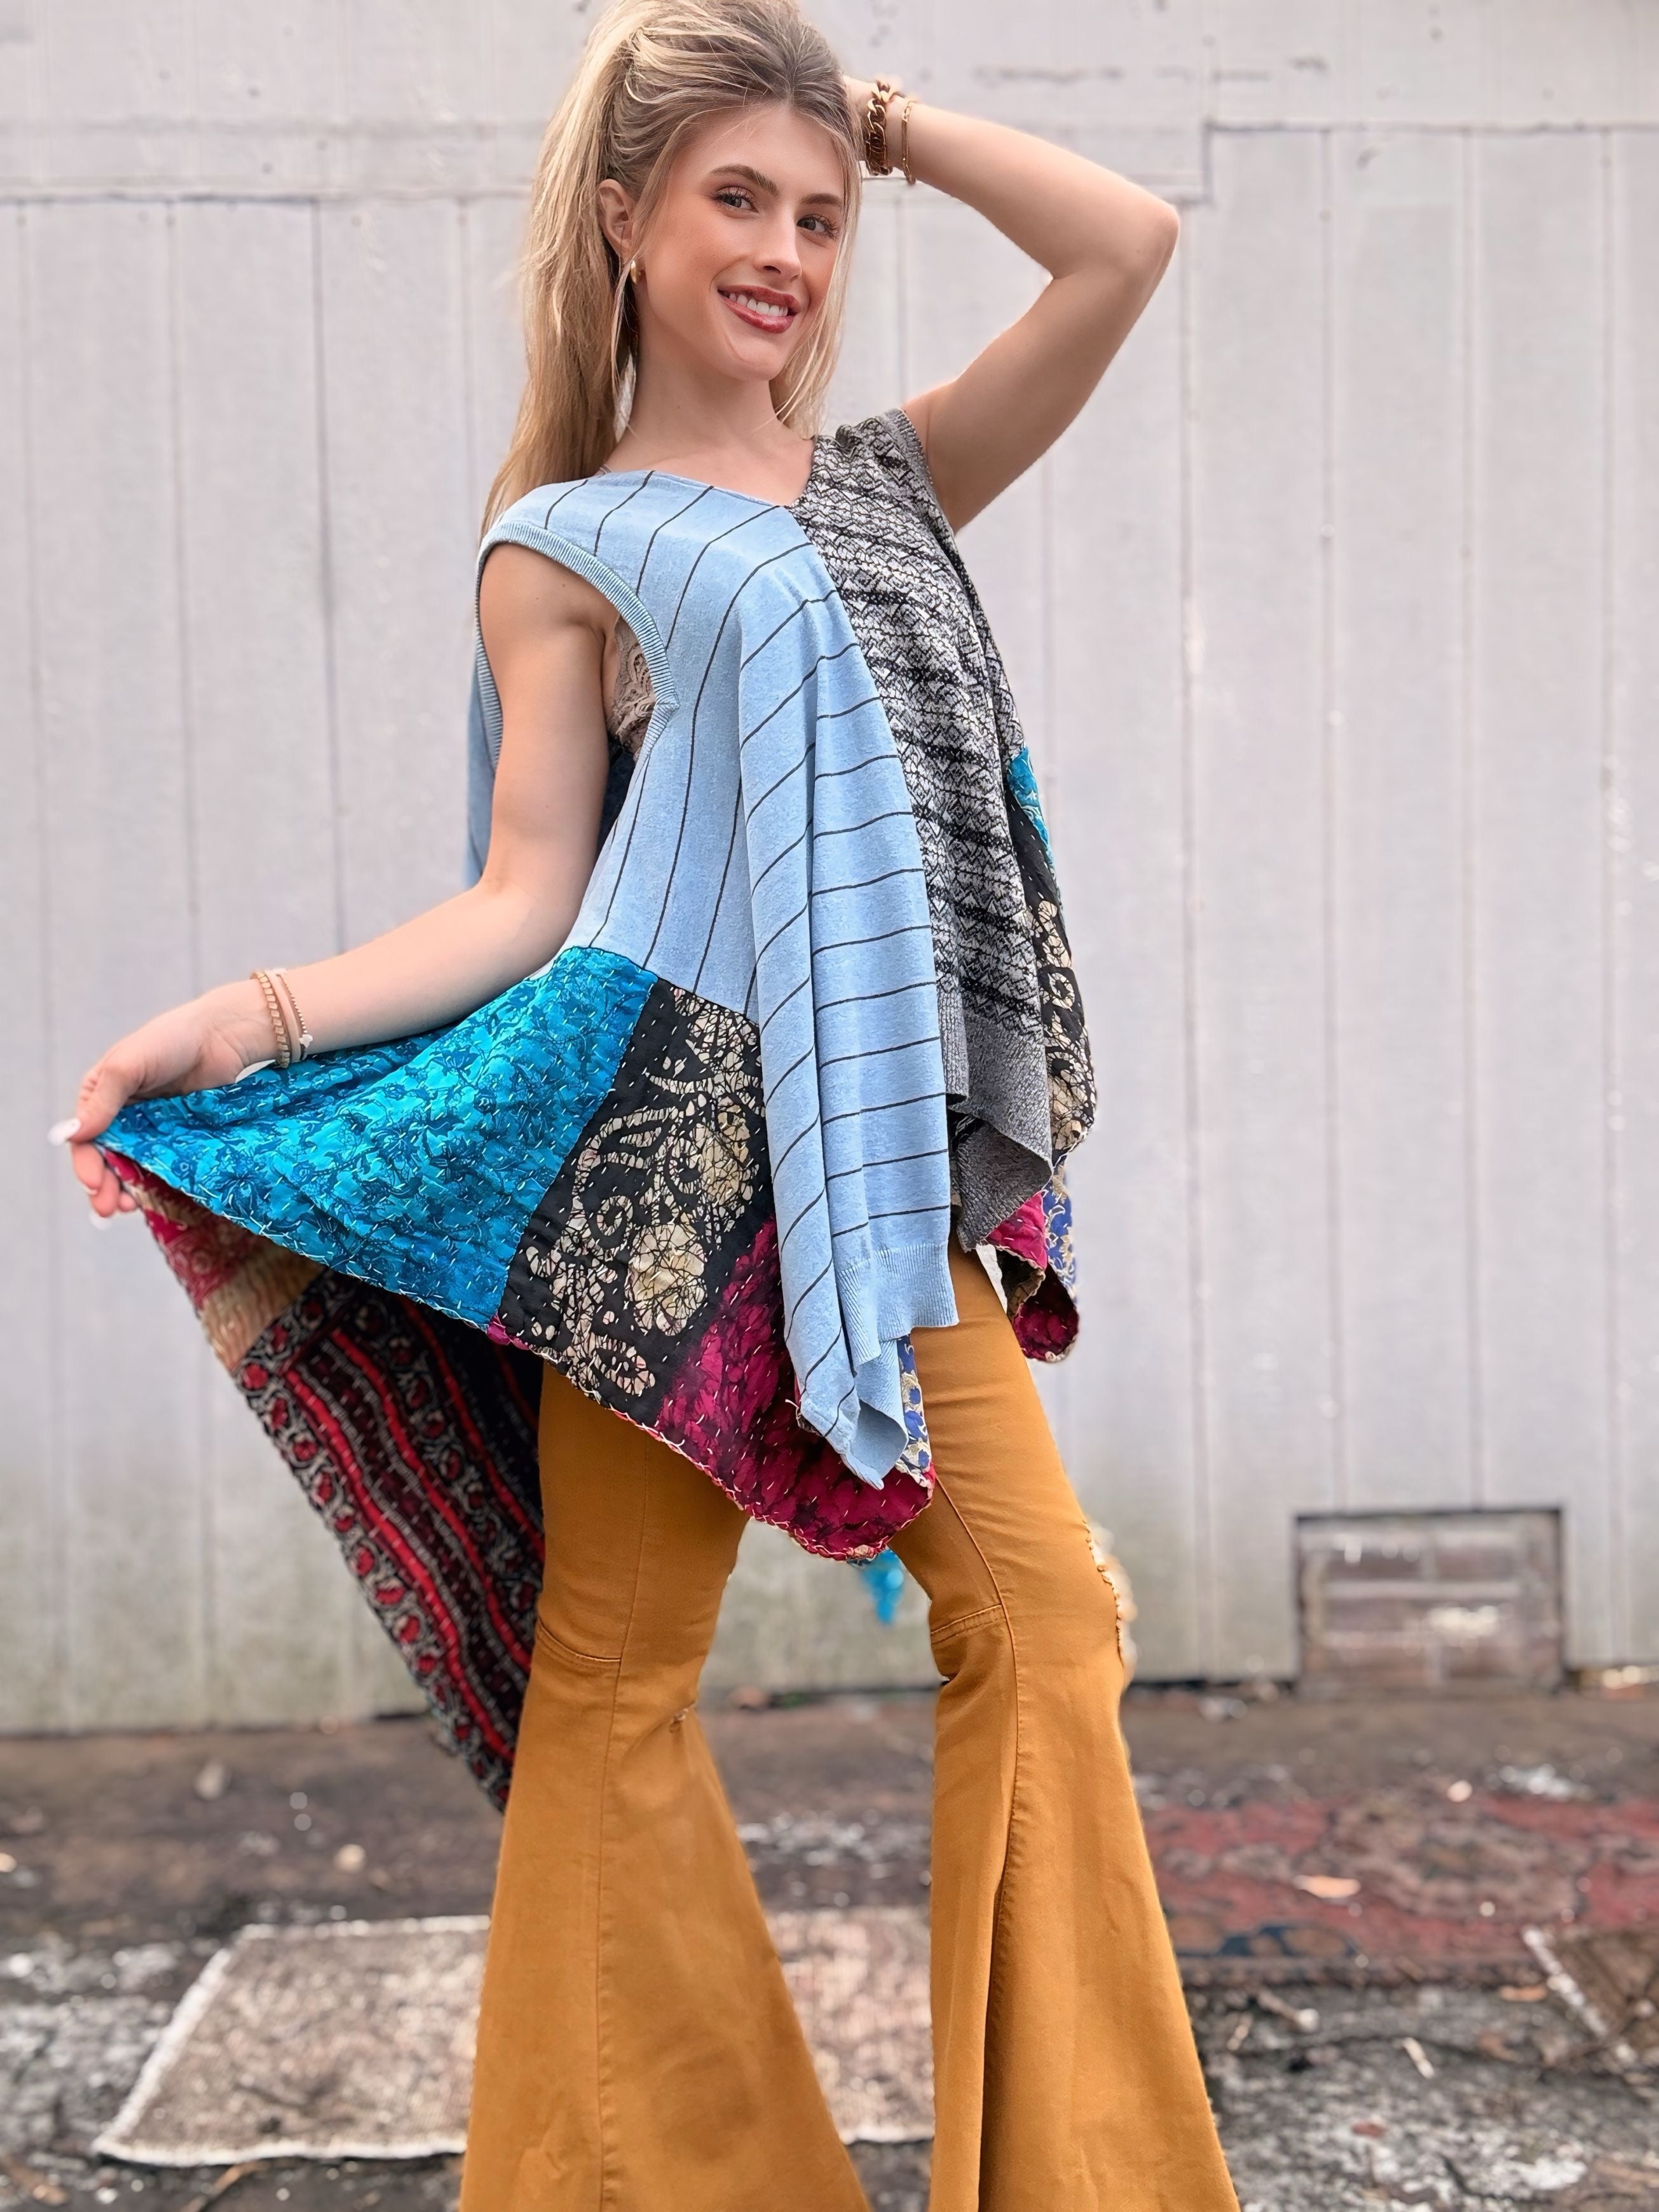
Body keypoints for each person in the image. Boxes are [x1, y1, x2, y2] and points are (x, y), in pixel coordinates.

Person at [56, 1, 1239, 2205]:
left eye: (818, 216)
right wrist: (241, 1022)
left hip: (882, 1186)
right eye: (734, 199)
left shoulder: (889, 483)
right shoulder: (567, 542)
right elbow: (522, 899)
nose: (782, 249)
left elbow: (1124, 245)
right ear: (623, 219)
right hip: (662, 1182)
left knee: (1047, 1626)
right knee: (612, 1683)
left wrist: (874, 118)